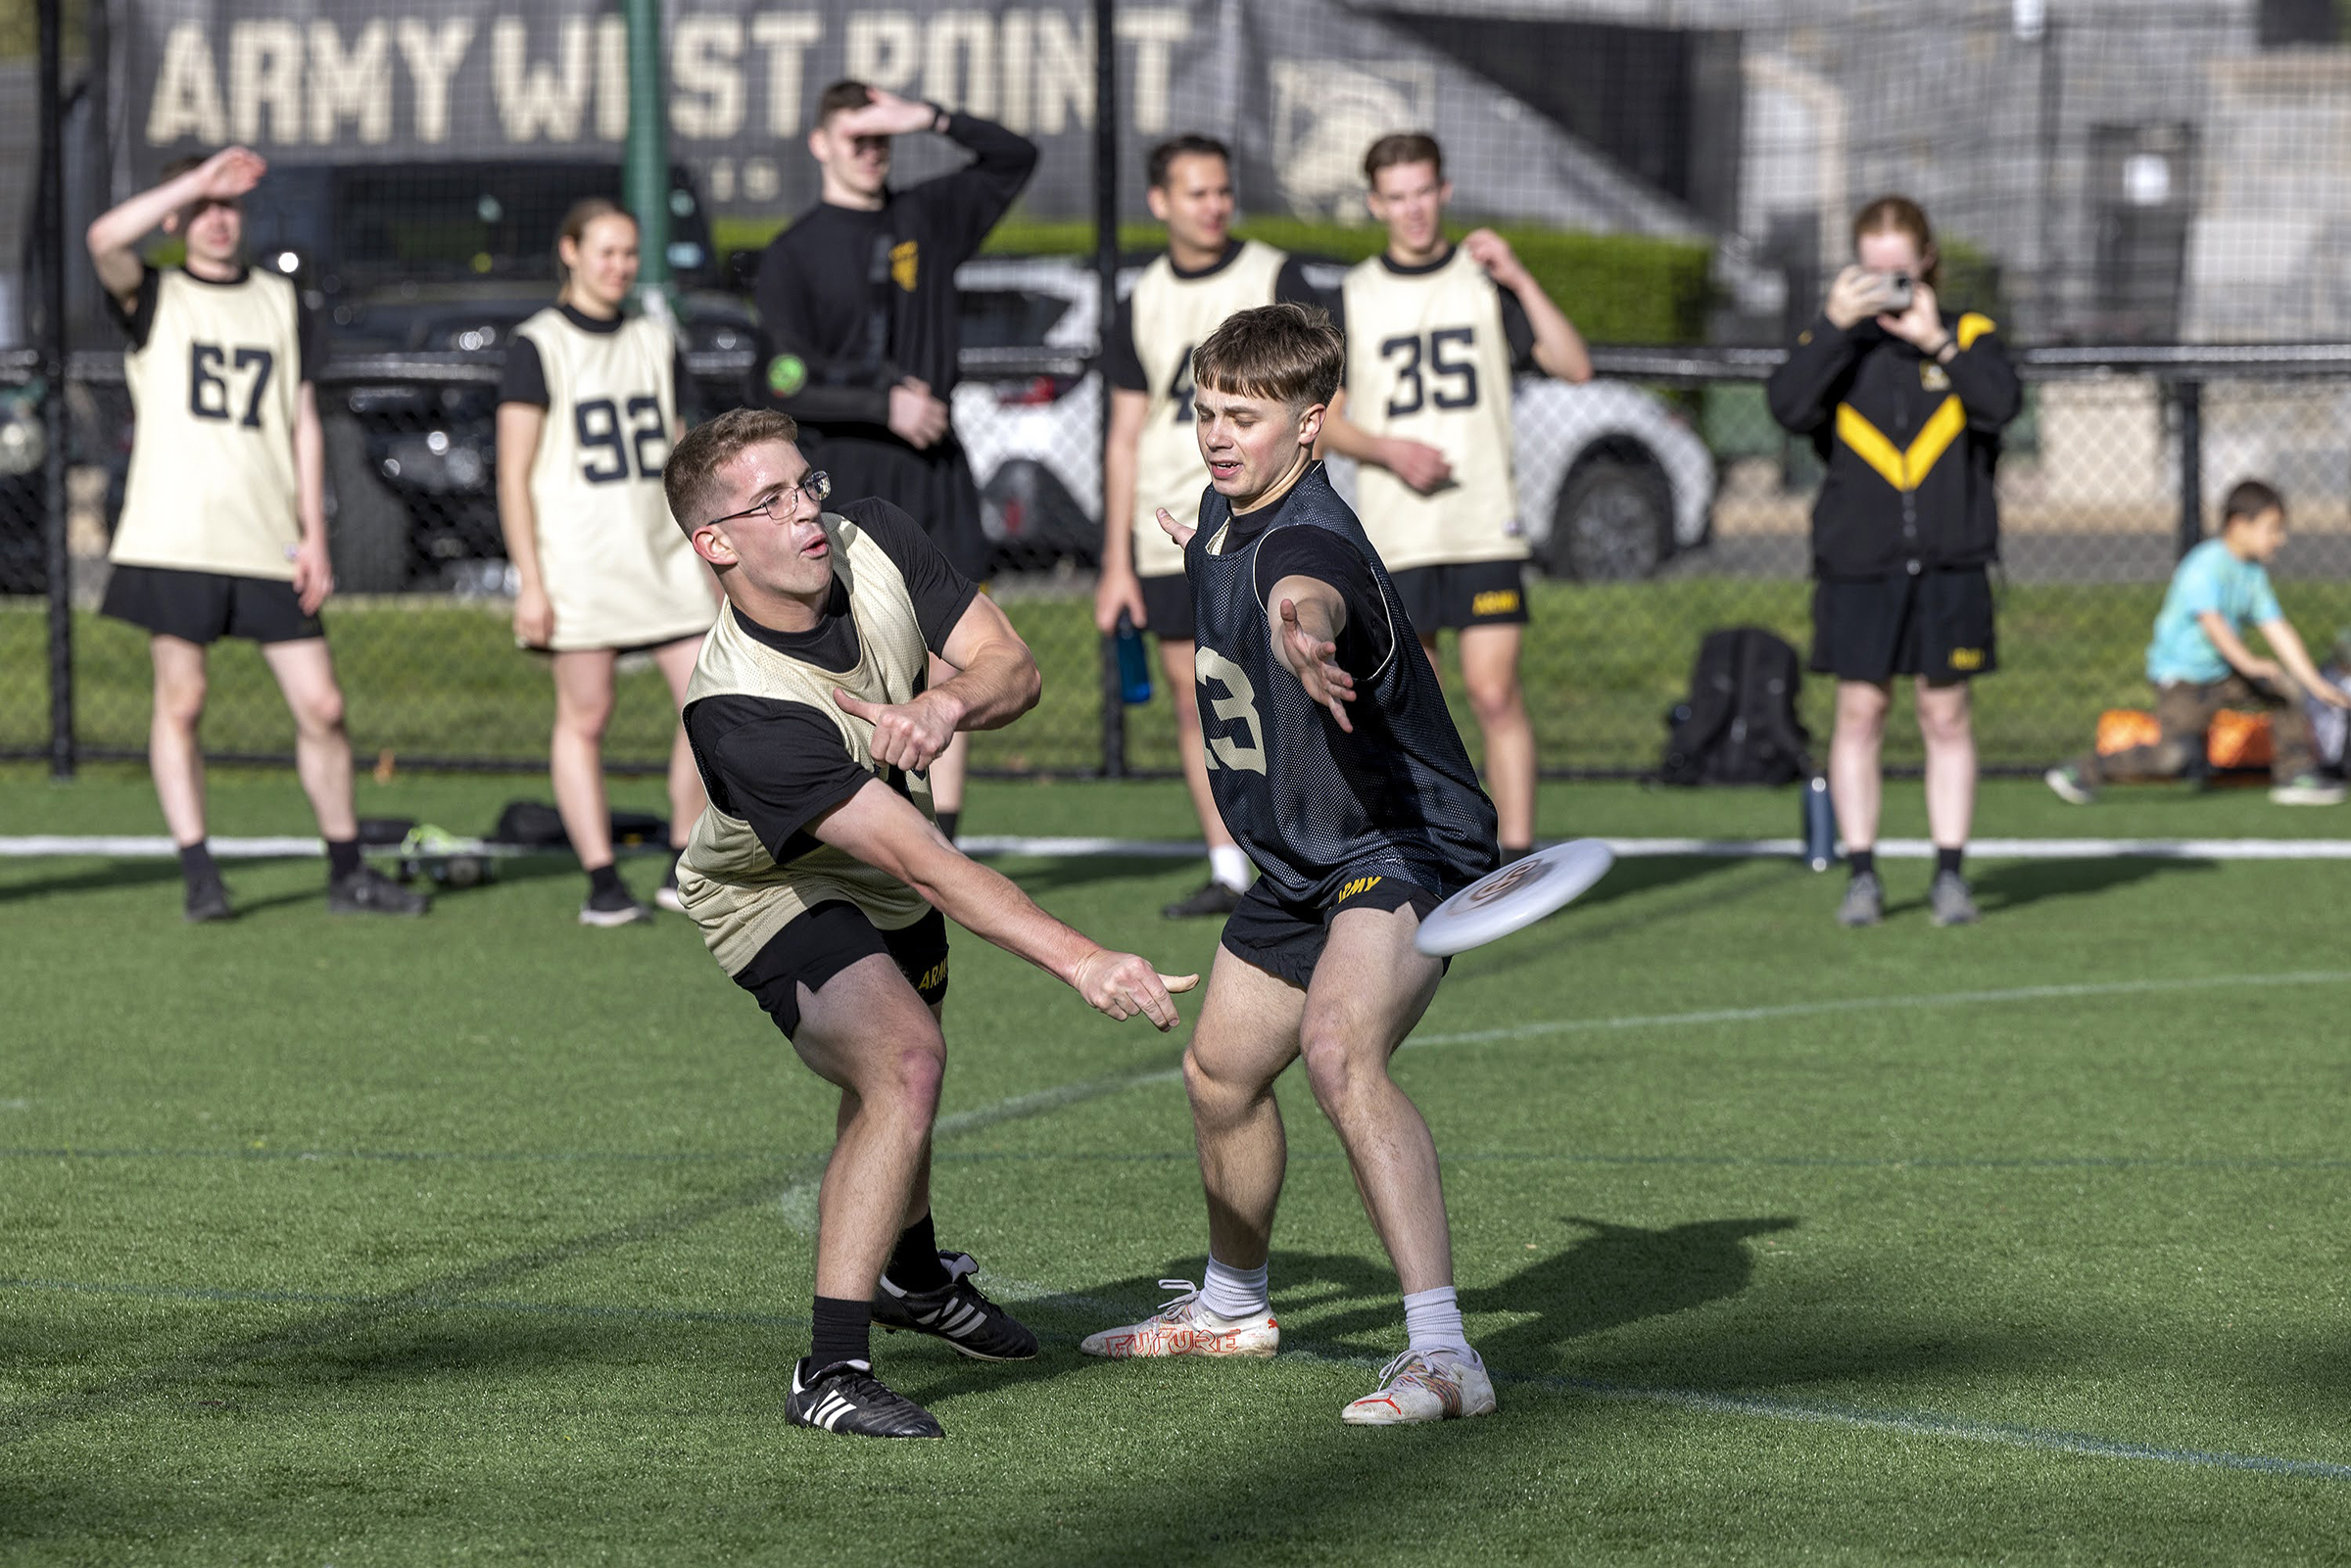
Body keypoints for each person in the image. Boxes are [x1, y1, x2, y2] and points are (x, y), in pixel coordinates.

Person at [661, 407, 1195, 1441]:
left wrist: (946, 708)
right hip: (777, 887)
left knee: (904, 1069)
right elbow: (928, 862)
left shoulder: (876, 537)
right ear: (714, 544)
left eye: (803, 485)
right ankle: (830, 1368)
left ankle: (910, 1274)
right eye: (766, 503)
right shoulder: (739, 707)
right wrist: (1082, 960)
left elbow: (1015, 667)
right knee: (902, 1060)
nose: (804, 512)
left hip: (891, 861)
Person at [1078, 305, 1504, 1426]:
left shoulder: (1304, 537)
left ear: (1313, 425)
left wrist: (1299, 630)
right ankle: (1232, 1307)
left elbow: (1301, 587)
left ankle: (1446, 1353)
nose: (1219, 435)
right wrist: (1199, 550)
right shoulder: (1225, 513)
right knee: (1220, 1071)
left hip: (1401, 843)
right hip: (1300, 858)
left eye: (1246, 418)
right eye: (1207, 411)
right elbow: (1239, 557)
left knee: (1339, 1051)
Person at [86, 146, 426, 923]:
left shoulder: (281, 299)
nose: (216, 220)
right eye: (203, 207)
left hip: (265, 537)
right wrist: (195, 179)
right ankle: (199, 868)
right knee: (184, 699)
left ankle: (347, 871)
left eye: (228, 206)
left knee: (324, 705)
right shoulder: (154, 293)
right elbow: (104, 238)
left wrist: (315, 531)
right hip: (174, 535)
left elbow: (304, 421)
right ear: (177, 217)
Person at [752, 80, 1037, 845]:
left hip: (934, 474)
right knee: (849, 656)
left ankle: (940, 842)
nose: (873, 151)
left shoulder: (926, 217)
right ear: (820, 143)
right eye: (858, 137)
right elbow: (781, 377)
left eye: (885, 139)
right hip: (848, 472)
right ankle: (854, 834)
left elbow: (1015, 156)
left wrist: (930, 116)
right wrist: (883, 404)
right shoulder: (791, 253)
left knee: (952, 659)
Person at [1318, 132, 1592, 865]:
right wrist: (1388, 450)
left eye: (1423, 192)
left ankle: (1520, 857)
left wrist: (1521, 276)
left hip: (1482, 526)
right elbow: (1324, 423)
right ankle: (1445, 849)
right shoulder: (1353, 293)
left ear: (1444, 191)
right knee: (1418, 709)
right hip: (1398, 532)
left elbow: (1574, 365)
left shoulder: (1483, 281)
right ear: (1376, 203)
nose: (1411, 209)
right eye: (1395, 196)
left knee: (1494, 691)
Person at [1766, 195, 2021, 928]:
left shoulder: (1968, 333)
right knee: (1861, 709)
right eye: (1872, 270)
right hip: (1859, 561)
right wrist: (1837, 326)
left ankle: (1949, 873)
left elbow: (2002, 405)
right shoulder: (1836, 342)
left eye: (1899, 271)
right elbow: (1787, 407)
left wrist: (1938, 340)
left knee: (1945, 713)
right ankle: (1863, 872)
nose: (1886, 285)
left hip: (1951, 560)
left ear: (1927, 262)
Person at [1097, 134, 1323, 917]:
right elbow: (1124, 434)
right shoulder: (1141, 298)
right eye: (1196, 193)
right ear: (1160, 203)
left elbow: (1326, 403)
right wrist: (1116, 562)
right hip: (1166, 524)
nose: (1214, 205)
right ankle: (1231, 868)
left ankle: (1309, 849)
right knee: (1200, 699)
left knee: (1290, 681)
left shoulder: (1274, 276)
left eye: (1223, 190)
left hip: (1262, 517)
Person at [497, 198, 716, 926]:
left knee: (711, 706)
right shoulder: (539, 344)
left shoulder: (656, 339)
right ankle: (601, 879)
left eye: (629, 253)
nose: (620, 266)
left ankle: (684, 860)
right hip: (580, 563)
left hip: (662, 557)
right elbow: (513, 472)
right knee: (586, 715)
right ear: (570, 251)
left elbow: (687, 456)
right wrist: (531, 581)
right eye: (606, 251)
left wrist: (710, 551)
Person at [2046, 479, 2350, 806]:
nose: (2280, 539)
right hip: (2185, 682)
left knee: (2284, 690)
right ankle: (2083, 770)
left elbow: (2276, 627)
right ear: (2239, 525)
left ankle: (2296, 775)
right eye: (2272, 529)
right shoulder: (2205, 566)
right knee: (2174, 757)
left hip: (2223, 673)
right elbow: (2214, 625)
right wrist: (2249, 664)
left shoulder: (2252, 573)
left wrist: (2314, 684)